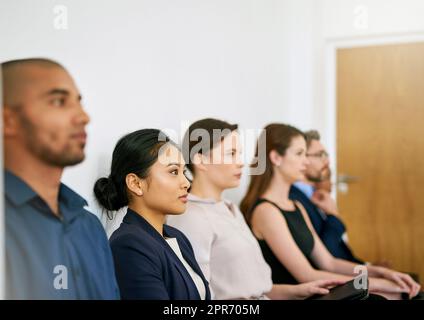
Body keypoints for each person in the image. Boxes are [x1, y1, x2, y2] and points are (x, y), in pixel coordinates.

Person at [240, 123, 421, 300]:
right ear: (276, 158)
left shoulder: (297, 206)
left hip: (319, 289)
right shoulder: (266, 211)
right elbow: (306, 275)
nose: (306, 161)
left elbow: (329, 262)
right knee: (391, 294)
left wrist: (382, 272)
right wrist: (376, 283)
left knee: (404, 292)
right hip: (304, 294)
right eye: (299, 153)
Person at [168, 118, 344, 300]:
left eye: (240, 154)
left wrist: (300, 291)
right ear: (201, 160)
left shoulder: (230, 209)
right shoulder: (190, 217)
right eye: (231, 153)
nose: (240, 162)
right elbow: (197, 299)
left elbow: (257, 291)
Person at [2, 58, 119, 299]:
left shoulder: (88, 225)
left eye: (79, 102)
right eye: (58, 101)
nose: (83, 116)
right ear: (7, 120)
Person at [94, 129, 211, 300]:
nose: (186, 183)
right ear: (135, 183)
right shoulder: (129, 245)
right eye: (173, 172)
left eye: (184, 172)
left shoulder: (178, 237)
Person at [290, 130, 364, 264]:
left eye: (326, 154)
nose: (327, 160)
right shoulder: (292, 198)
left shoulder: (315, 194)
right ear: (301, 157)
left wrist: (364, 266)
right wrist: (333, 215)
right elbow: (326, 254)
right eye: (320, 155)